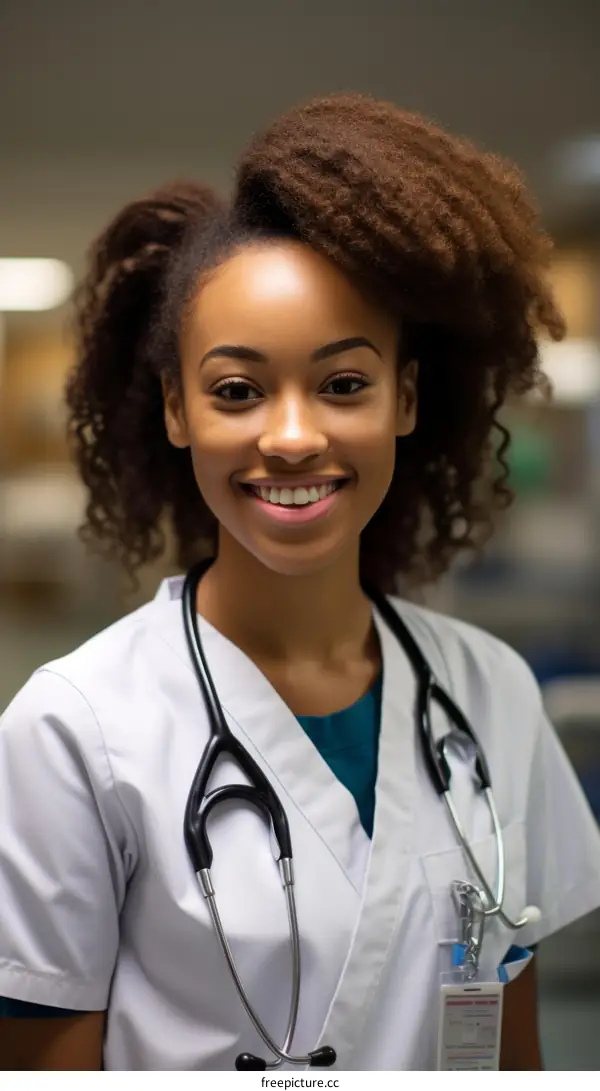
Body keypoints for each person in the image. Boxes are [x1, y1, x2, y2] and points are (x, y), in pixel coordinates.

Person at [1, 92, 599, 1073]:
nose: (290, 434)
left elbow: (508, 1049)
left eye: (343, 382)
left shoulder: (491, 691)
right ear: (177, 409)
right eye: (237, 389)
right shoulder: (72, 728)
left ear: (405, 397)